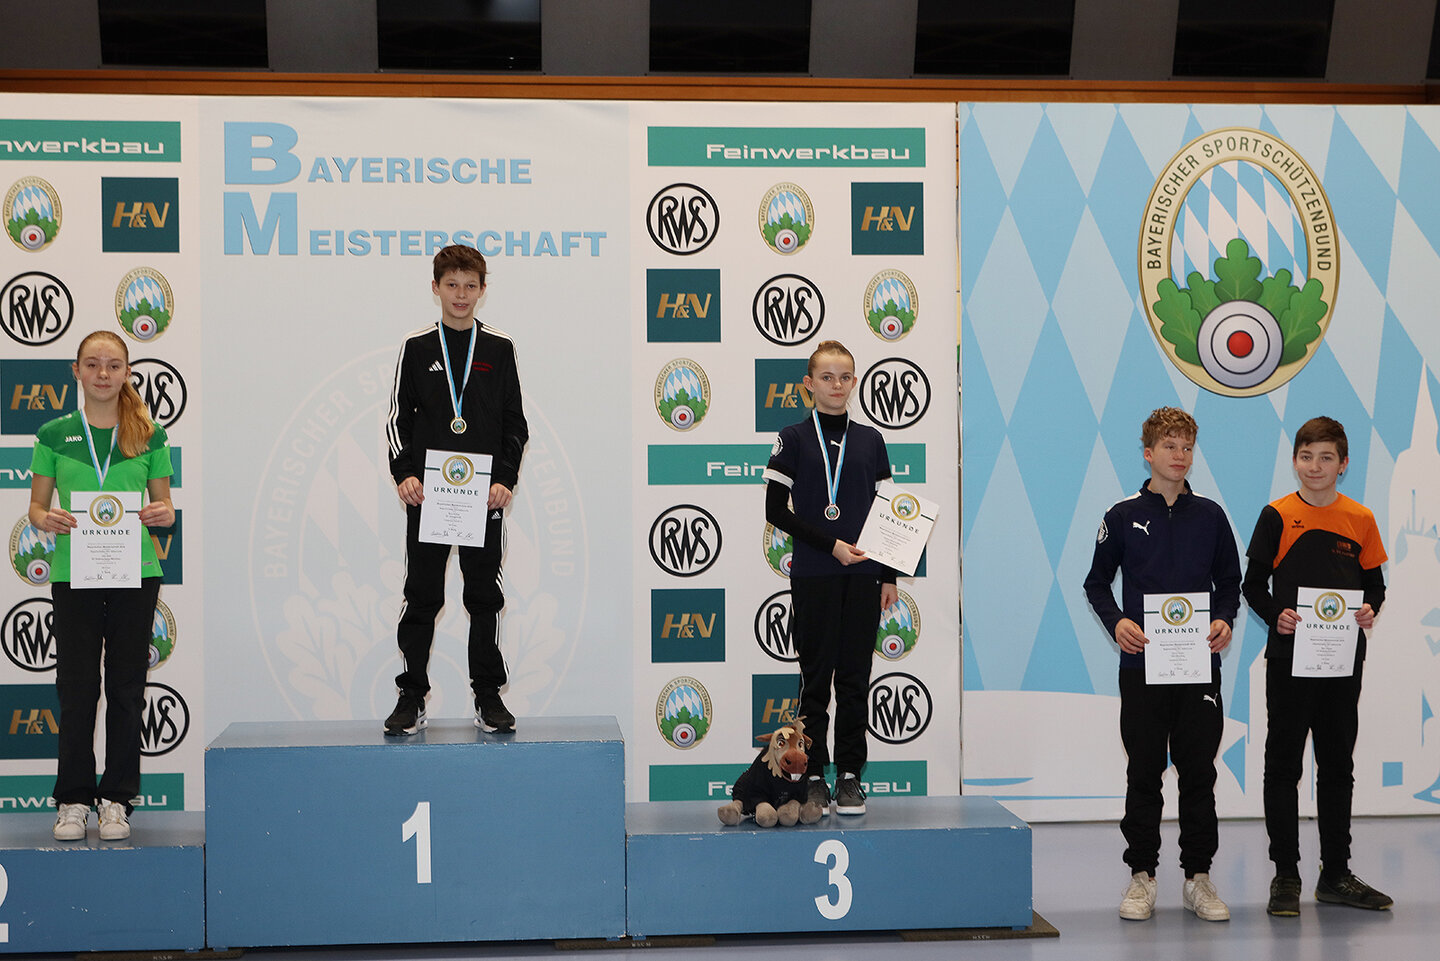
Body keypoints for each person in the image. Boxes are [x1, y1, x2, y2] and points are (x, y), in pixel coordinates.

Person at [1083, 407, 1239, 922]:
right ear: (1149, 453)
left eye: (1187, 447)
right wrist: (1117, 623)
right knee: (1144, 772)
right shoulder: (1121, 515)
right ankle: (1142, 876)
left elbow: (1230, 584)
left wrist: (1223, 619)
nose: (1180, 456)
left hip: (1199, 668)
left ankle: (1198, 877)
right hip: (1142, 668)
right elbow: (1096, 583)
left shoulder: (1211, 516)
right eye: (1170, 446)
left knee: (1198, 773)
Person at [1242, 416, 1392, 916]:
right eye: (1306, 456)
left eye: (1326, 457)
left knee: (1337, 767)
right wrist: (1276, 615)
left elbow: (1375, 586)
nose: (1315, 466)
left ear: (1343, 464)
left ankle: (1336, 874)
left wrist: (1369, 609)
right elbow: (1252, 585)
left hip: (1342, 663)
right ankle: (1286, 875)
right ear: (1294, 461)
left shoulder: (1361, 518)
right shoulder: (1277, 515)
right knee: (1283, 767)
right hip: (1289, 662)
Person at [29, 330, 174, 842]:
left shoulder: (149, 435)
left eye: (113, 365)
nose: (103, 374)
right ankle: (72, 800)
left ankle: (116, 800)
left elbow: (165, 506)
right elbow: (36, 508)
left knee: (127, 689)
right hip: (75, 574)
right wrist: (45, 519)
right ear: (77, 371)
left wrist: (162, 513)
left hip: (136, 573)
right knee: (77, 689)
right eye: (92, 364)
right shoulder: (53, 434)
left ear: (127, 372)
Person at [384, 245, 528, 736]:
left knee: (484, 596)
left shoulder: (499, 349)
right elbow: (398, 420)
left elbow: (515, 422)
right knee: (421, 595)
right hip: (429, 495)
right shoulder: (417, 347)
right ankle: (411, 695)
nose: (461, 295)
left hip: (483, 497)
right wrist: (404, 473)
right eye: (452, 285)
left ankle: (488, 695)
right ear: (435, 288)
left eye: (470, 286)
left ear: (483, 290)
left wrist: (505, 479)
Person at [762, 340, 896, 816]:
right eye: (826, 377)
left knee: (856, 681)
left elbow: (888, 514)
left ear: (854, 383)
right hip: (815, 575)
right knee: (816, 682)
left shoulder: (871, 440)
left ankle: (851, 777)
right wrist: (831, 545)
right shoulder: (793, 438)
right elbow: (775, 511)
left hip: (864, 577)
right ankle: (815, 776)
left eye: (844, 377)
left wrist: (889, 575)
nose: (836, 385)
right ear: (809, 384)